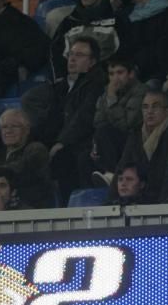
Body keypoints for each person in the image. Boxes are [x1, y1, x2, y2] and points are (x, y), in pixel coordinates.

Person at [23, 36, 106, 204]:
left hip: (82, 142)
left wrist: (61, 142)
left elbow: (84, 117)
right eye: (71, 54)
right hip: (59, 139)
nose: (73, 59)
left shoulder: (96, 84)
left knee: (63, 158)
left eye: (80, 55)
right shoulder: (60, 87)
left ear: (92, 62)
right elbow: (46, 116)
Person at [117, 89, 168, 203]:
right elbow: (122, 166)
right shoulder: (136, 132)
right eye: (145, 107)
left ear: (167, 110)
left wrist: (161, 206)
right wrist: (108, 203)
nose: (149, 111)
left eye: (155, 106)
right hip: (143, 198)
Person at [50, 0, 120, 81]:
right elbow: (55, 53)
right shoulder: (69, 21)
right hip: (71, 82)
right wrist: (61, 80)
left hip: (105, 81)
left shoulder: (117, 21)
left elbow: (123, 54)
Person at [0, 108, 55, 208]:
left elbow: (19, 172)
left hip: (30, 209)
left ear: (27, 129)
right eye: (4, 127)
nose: (8, 131)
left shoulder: (36, 149)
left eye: (14, 126)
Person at [93, 55, 147, 135]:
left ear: (131, 74)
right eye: (111, 74)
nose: (115, 78)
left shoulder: (141, 91)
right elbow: (98, 121)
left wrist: (112, 100)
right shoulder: (107, 92)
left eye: (120, 72)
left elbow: (127, 127)